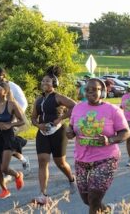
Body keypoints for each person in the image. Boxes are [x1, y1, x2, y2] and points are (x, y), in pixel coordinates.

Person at [65, 78, 129, 214]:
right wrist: (69, 132)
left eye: (95, 89)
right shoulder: (77, 107)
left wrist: (109, 140)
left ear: (103, 91)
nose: (90, 92)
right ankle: (107, 210)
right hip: (81, 159)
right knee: (87, 199)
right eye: (87, 90)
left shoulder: (113, 110)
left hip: (106, 158)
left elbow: (125, 133)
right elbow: (71, 127)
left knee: (94, 198)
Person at [30, 66, 78, 205]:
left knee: (60, 163)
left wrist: (60, 118)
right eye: (43, 81)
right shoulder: (38, 99)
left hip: (58, 132)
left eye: (48, 81)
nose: (44, 83)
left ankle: (71, 179)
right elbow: (33, 117)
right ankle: (43, 194)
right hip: (42, 132)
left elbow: (74, 106)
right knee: (43, 160)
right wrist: (39, 125)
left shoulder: (58, 97)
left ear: (54, 84)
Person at [0, 67, 30, 173]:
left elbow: (23, 102)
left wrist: (14, 116)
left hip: (11, 121)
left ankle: (5, 169)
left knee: (7, 145)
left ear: (4, 76)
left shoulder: (13, 87)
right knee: (2, 147)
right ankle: (20, 161)